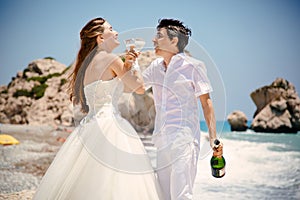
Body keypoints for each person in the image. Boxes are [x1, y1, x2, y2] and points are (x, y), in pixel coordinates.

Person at [33, 17, 163, 200]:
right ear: (100, 38)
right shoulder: (111, 59)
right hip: (111, 124)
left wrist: (125, 67)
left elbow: (121, 87)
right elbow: (139, 88)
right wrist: (134, 64)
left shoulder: (85, 64)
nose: (117, 32)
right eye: (111, 29)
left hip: (90, 125)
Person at [142, 18, 223, 199]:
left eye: (159, 36)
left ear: (174, 41)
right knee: (163, 195)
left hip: (184, 140)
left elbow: (206, 103)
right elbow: (138, 86)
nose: (154, 40)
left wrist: (213, 139)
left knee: (181, 195)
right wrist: (128, 64)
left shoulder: (193, 66)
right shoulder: (155, 67)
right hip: (161, 140)